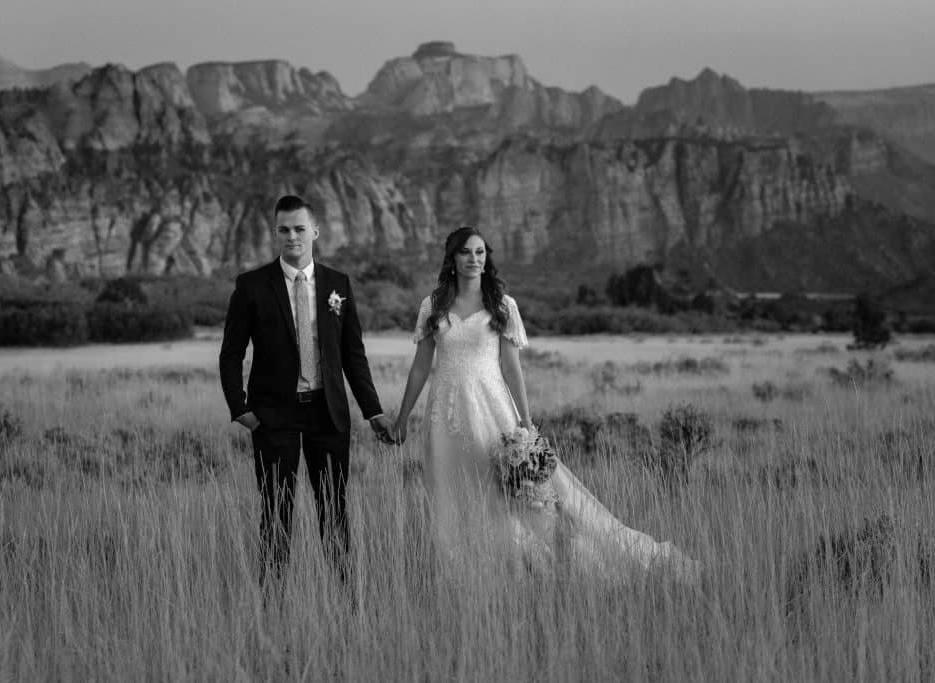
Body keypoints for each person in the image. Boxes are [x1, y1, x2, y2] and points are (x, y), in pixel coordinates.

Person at [392, 227, 699, 580]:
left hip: (491, 414)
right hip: (443, 418)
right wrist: (402, 420)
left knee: (506, 498)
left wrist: (526, 424)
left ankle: (525, 572)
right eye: (465, 252)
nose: (473, 259)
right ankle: (462, 577)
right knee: (451, 496)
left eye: (480, 252)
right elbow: (419, 368)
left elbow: (511, 367)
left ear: (487, 257)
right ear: (451, 259)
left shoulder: (502, 305)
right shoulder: (433, 306)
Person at [219, 194, 397, 582]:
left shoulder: (338, 284)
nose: (292, 236)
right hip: (273, 417)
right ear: (274, 233)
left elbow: (354, 355)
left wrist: (373, 411)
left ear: (315, 231)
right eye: (284, 229)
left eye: (300, 228)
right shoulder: (252, 286)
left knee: (334, 511)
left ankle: (347, 601)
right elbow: (230, 353)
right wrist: (241, 409)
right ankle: (273, 603)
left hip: (327, 414)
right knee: (275, 512)